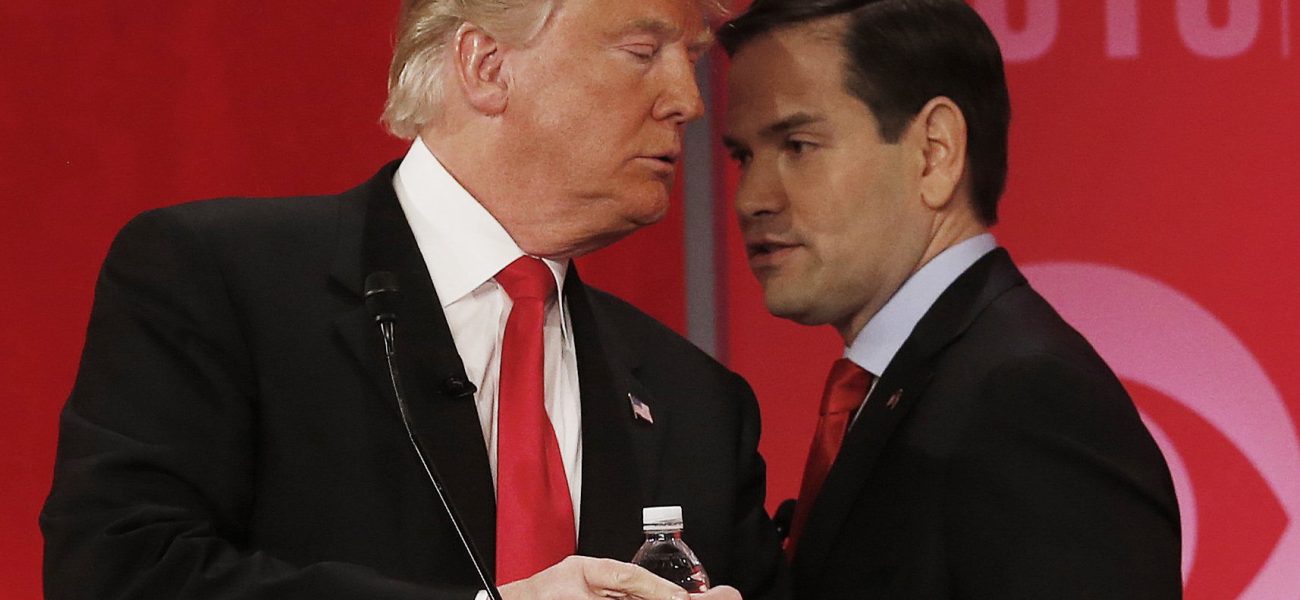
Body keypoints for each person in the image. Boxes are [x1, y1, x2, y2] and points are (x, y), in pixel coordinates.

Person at [40, 1, 787, 599]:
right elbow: (119, 572)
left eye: (689, 60)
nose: (688, 102)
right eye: (642, 50)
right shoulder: (219, 280)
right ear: (486, 64)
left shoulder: (700, 405)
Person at [718, 0, 1182, 598]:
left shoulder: (1028, 398)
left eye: (798, 145)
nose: (751, 197)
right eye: (742, 156)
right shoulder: (927, 382)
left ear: (935, 151)